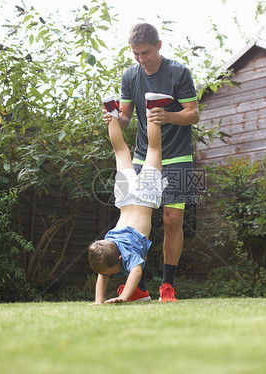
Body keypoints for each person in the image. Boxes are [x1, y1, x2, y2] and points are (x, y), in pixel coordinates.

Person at [103, 23, 200, 302]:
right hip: (143, 157)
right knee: (134, 223)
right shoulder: (130, 77)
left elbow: (193, 114)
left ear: (158, 46)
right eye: (135, 54)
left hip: (178, 156)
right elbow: (125, 117)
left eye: (145, 52)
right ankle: (140, 289)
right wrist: (114, 120)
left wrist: (168, 116)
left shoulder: (178, 73)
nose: (141, 59)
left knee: (172, 220)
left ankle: (167, 286)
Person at [89, 94, 171, 304]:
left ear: (120, 260)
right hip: (125, 197)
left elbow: (135, 272)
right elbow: (102, 272)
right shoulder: (108, 245)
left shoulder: (128, 253)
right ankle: (111, 111)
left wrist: (124, 297)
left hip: (144, 197)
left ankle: (151, 106)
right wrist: (98, 302)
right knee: (120, 151)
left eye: (112, 272)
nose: (111, 274)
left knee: (154, 149)